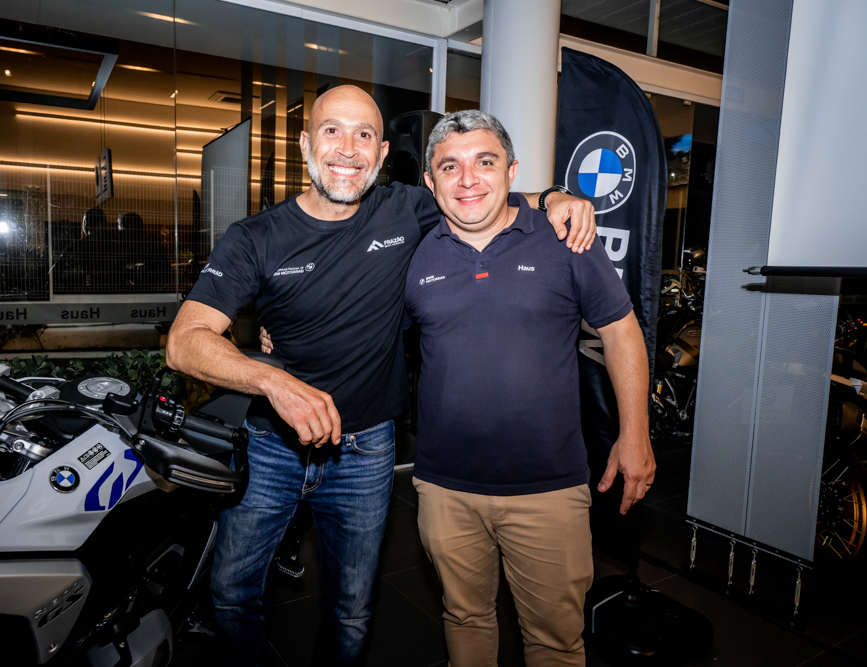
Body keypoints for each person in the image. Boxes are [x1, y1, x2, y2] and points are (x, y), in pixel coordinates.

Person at [165, 85, 596, 666]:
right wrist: (273, 381)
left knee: (352, 607)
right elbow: (185, 342)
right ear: (305, 145)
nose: (348, 149)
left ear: (383, 152)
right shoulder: (255, 238)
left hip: (365, 451)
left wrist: (555, 196)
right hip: (272, 445)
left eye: (363, 134)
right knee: (232, 592)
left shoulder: (406, 208)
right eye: (332, 131)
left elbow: (480, 189)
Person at [404, 110, 656, 667]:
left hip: (548, 490)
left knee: (554, 642)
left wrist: (635, 434)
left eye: (485, 162)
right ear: (431, 181)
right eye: (450, 166)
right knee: (464, 619)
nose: (468, 179)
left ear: (512, 171)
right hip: (445, 489)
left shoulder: (565, 239)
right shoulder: (417, 256)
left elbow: (621, 332)